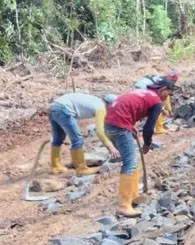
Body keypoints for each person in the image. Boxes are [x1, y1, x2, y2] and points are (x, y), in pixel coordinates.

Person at [105, 77, 179, 217]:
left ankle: (133, 195)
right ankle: (124, 205)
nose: (167, 97)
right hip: (119, 126)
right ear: (162, 89)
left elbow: (127, 108)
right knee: (130, 162)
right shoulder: (156, 101)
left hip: (110, 123)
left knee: (131, 160)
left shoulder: (143, 93)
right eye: (168, 94)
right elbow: (149, 128)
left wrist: (130, 126)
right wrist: (147, 144)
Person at [47, 93, 120, 175]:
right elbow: (100, 131)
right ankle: (81, 168)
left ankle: (55, 166)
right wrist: (111, 147)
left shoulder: (96, 101)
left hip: (54, 107)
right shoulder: (101, 108)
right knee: (77, 140)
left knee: (58, 138)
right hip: (64, 109)